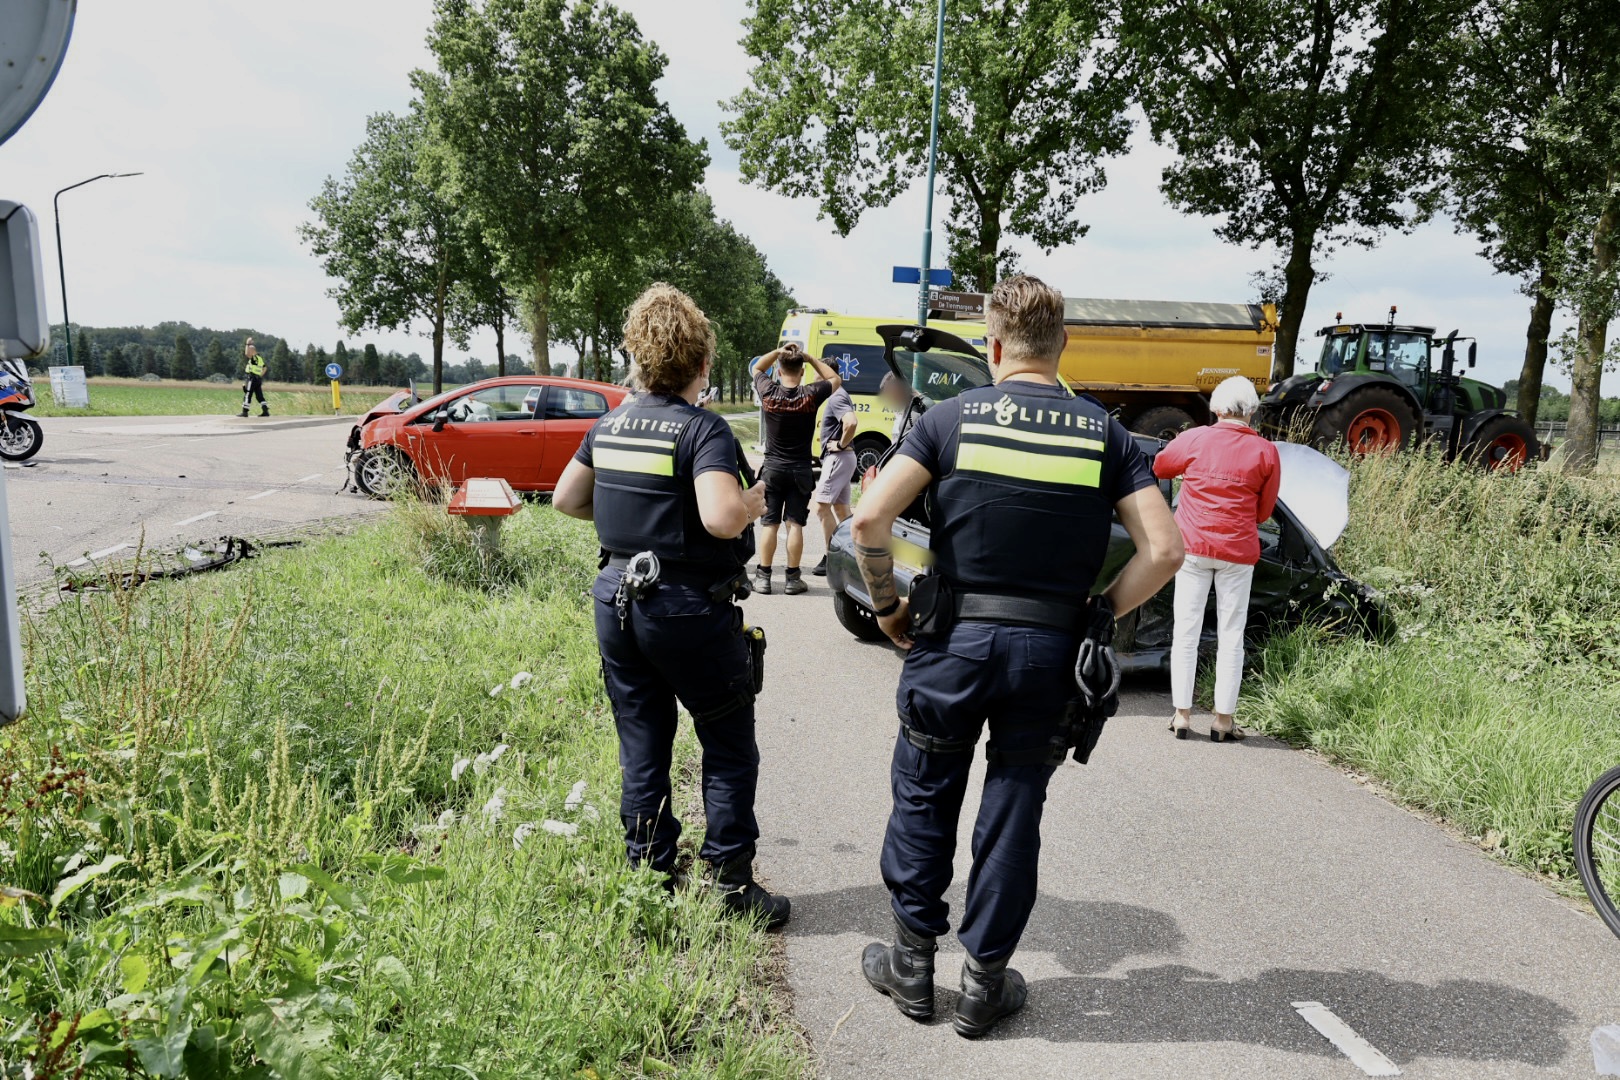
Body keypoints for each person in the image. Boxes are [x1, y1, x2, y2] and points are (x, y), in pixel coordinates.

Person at [851, 275, 1184, 1038]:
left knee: (926, 791)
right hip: (1048, 654)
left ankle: (911, 971)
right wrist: (1098, 612)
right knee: (1014, 805)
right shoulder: (1105, 433)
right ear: (1062, 347)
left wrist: (889, 607)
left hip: (953, 644)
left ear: (994, 348)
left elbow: (869, 517)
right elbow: (1165, 549)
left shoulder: (949, 421)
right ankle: (982, 986)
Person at [553, 283, 789, 929]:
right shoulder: (702, 430)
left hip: (617, 600)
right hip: (687, 608)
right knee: (728, 744)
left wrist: (635, 525)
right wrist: (752, 503)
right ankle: (733, 890)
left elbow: (567, 501)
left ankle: (648, 880)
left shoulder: (612, 423)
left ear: (636, 355)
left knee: (643, 744)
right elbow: (719, 518)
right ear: (703, 362)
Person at [1153, 376, 1281, 742]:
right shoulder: (1266, 452)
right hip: (1238, 553)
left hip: (1192, 546)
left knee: (1186, 631)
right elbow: (1263, 512)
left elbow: (1161, 467)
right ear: (1252, 412)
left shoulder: (1195, 438)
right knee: (1231, 635)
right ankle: (1223, 721)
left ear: (1216, 409)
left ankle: (1181, 715)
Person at [750, 343, 842, 595]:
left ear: (778, 371)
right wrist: (811, 358)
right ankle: (792, 579)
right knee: (795, 524)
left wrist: (778, 352)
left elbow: (757, 367)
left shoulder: (768, 391)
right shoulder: (811, 394)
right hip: (800, 470)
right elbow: (835, 378)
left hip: (772, 469)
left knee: (770, 524)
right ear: (802, 372)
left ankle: (764, 577)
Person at [810, 384, 858, 576]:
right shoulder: (840, 395)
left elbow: (851, 423)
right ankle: (853, 555)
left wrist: (839, 444)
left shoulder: (837, 396)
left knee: (822, 507)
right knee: (841, 510)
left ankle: (833, 558)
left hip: (838, 458)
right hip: (845, 459)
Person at [239, 338, 268, 418]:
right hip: (258, 379)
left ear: (252, 351)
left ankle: (245, 412)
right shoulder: (259, 358)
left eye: (250, 350)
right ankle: (265, 411)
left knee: (248, 393)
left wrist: (247, 344)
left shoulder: (253, 358)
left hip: (252, 378)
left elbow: (246, 354)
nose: (248, 351)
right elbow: (265, 368)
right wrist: (259, 376)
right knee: (259, 395)